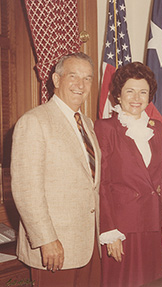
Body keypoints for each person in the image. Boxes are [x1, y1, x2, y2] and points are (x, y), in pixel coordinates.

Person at [11, 52, 101, 286]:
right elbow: (26, 190)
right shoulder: (34, 122)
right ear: (56, 80)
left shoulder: (87, 123)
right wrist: (46, 240)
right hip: (54, 249)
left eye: (88, 78)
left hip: (88, 244)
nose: (81, 85)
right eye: (73, 76)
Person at [94, 62, 162, 287]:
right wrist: (110, 230)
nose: (137, 98)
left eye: (143, 91)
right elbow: (102, 183)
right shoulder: (105, 128)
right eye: (130, 91)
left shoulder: (157, 129)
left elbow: (160, 179)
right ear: (118, 94)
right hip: (122, 228)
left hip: (152, 223)